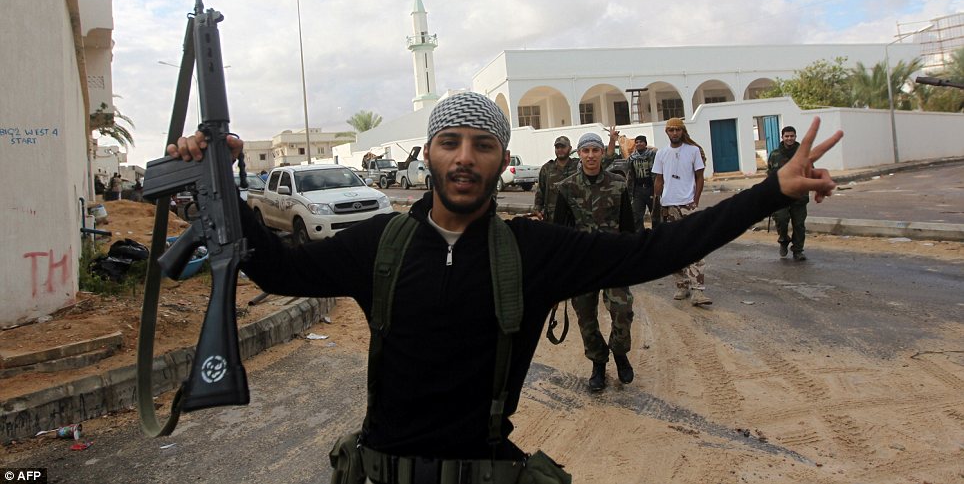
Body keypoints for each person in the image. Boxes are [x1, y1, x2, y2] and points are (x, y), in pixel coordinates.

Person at [168, 92, 841, 483]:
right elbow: (278, 268)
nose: (465, 156)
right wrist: (217, 187)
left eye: (482, 144)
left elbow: (656, 249)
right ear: (429, 154)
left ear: (502, 160)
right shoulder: (381, 244)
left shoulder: (534, 250)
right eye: (450, 141)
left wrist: (767, 193)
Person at [553, 133, 636, 392]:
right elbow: (559, 232)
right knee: (586, 318)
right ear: (579, 153)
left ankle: (620, 352)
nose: (590, 155)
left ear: (602, 153)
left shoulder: (618, 184)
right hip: (582, 265)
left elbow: (628, 228)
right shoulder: (566, 187)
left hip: (613, 262)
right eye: (585, 150)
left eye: (595, 150)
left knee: (622, 311)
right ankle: (598, 364)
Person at [652, 118, 711, 306]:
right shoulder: (661, 153)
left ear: (682, 131)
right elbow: (659, 180)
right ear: (667, 132)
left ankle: (698, 291)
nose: (674, 133)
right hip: (668, 206)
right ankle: (682, 285)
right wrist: (657, 201)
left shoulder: (693, 151)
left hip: (688, 205)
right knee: (673, 247)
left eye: (677, 130)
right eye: (671, 130)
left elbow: (700, 177)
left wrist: (696, 200)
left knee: (696, 246)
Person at [768, 126, 808, 261]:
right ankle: (784, 240)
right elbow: (770, 174)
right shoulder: (774, 154)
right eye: (787, 136)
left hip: (799, 195)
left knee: (799, 224)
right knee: (781, 218)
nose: (789, 138)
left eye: (792, 136)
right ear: (782, 137)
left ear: (795, 137)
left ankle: (798, 250)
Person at [532, 135, 578, 220]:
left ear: (570, 148)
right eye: (557, 147)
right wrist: (537, 209)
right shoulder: (547, 169)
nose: (560, 150)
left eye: (563, 147)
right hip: (552, 217)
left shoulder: (577, 166)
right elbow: (540, 191)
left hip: (574, 216)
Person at [625, 135, 657, 230]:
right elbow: (629, 174)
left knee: (655, 215)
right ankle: (640, 237)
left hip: (652, 189)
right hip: (638, 190)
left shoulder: (652, 155)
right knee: (636, 216)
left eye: (641, 142)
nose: (639, 144)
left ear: (645, 143)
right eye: (637, 142)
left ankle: (656, 236)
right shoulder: (631, 158)